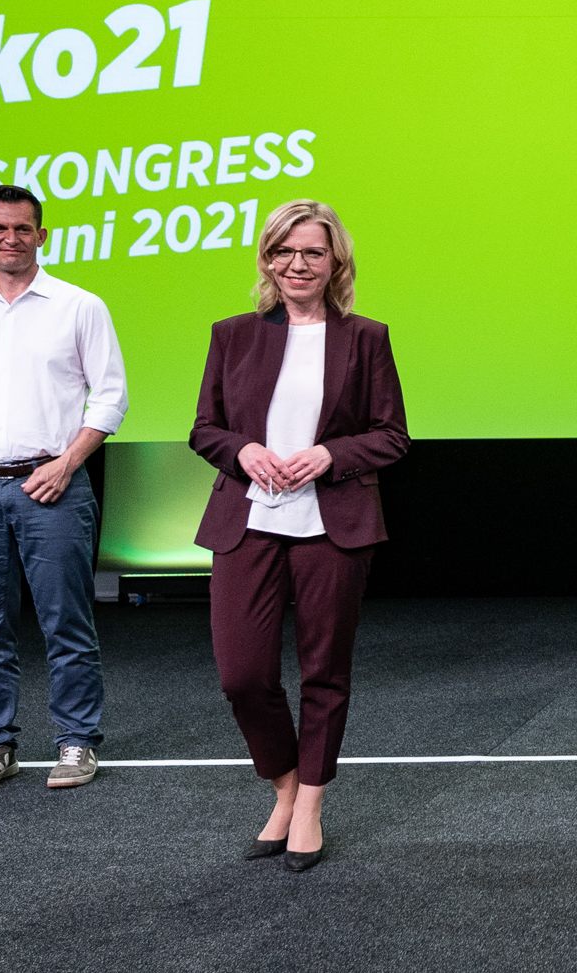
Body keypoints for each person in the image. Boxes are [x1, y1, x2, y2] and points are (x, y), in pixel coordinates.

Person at [189, 199, 409, 872]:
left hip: (331, 523)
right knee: (242, 675)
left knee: (324, 671)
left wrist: (329, 456)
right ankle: (284, 783)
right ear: (267, 259)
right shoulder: (233, 333)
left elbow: (391, 434)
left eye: (311, 251)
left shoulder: (366, 337)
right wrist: (245, 451)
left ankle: (307, 804)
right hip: (248, 518)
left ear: (335, 260)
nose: (297, 263)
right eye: (284, 250)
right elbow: (206, 427)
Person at [0, 184, 129, 794]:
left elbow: (110, 395)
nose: (11, 238)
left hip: (52, 485)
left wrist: (67, 463)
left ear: (42, 235)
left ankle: (76, 741)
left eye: (23, 228)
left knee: (67, 621)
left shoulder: (79, 305)